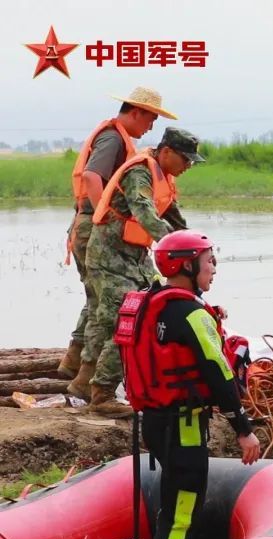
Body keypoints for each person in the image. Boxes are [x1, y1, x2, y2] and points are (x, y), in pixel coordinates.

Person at [115, 230, 260, 539]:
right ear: (187, 266)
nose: (214, 268)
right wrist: (243, 429)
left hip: (155, 421)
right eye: (209, 261)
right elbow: (219, 373)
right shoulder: (192, 313)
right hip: (184, 427)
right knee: (182, 512)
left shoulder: (152, 303)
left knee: (174, 504)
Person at [81, 127, 201, 417]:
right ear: (167, 152)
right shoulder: (140, 174)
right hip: (109, 257)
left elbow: (175, 219)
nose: (188, 166)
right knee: (126, 321)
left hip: (136, 258)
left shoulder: (163, 177)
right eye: (185, 159)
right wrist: (176, 247)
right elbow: (144, 212)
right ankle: (101, 395)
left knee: (157, 307)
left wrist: (197, 246)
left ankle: (88, 380)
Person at [64, 87, 175, 393]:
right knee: (105, 304)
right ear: (136, 112)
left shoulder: (119, 138)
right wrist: (105, 217)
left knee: (98, 300)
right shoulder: (113, 138)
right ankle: (83, 372)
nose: (150, 127)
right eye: (150, 119)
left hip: (92, 222)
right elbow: (91, 177)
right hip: (93, 224)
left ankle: (76, 367)